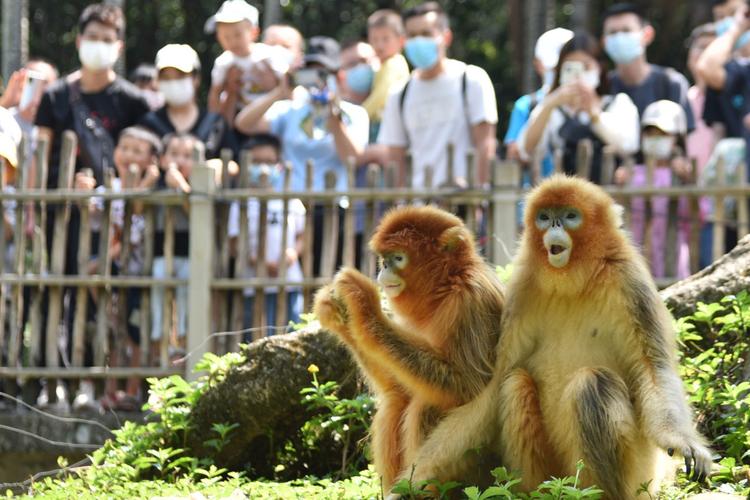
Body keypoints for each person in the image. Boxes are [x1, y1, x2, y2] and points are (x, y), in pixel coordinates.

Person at [32, 3, 149, 405]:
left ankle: (100, 384)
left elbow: (145, 152)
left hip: (116, 221)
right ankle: (55, 382)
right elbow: (40, 154)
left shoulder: (133, 100)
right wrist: (55, 192)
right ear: (79, 41)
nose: (98, 45)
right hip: (64, 216)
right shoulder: (56, 96)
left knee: (111, 298)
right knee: (59, 292)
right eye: (92, 37)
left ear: (118, 46)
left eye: (107, 38)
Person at [234, 36, 368, 275]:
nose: (317, 81)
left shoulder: (355, 114)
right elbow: (244, 124)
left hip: (332, 210)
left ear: (339, 76)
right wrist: (279, 92)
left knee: (330, 282)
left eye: (323, 74)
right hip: (293, 210)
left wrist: (333, 119)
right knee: (296, 283)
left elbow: (353, 158)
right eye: (310, 74)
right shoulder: (289, 110)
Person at [78, 126, 161, 410]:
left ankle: (133, 391)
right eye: (124, 148)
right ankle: (111, 391)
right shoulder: (109, 189)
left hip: (140, 275)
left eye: (137, 151)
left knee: (136, 334)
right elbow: (92, 214)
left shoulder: (154, 193)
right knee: (114, 333)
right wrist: (83, 195)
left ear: (152, 161)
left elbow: (135, 231)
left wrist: (141, 189)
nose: (128, 155)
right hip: (112, 272)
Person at [378, 2, 497, 188]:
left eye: (426, 34)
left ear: (446, 37)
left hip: (464, 201)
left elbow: (485, 144)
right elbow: (395, 156)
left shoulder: (471, 79)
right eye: (412, 35)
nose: (418, 41)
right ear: (403, 41)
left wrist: (479, 197)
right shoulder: (399, 93)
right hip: (419, 207)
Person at [518, 31, 640, 184]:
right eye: (570, 67)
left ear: (599, 67)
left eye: (586, 66)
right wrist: (549, 104)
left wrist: (593, 113)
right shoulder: (553, 109)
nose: (578, 75)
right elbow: (525, 149)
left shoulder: (619, 103)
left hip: (609, 199)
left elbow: (629, 146)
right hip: (565, 199)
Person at [228, 134, 305, 334]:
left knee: (292, 332)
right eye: (256, 162)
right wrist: (256, 260)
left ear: (279, 165)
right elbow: (234, 243)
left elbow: (302, 235)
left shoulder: (291, 200)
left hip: (289, 281)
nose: (263, 168)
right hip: (253, 283)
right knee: (256, 335)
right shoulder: (241, 203)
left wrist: (292, 254)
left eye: (269, 162)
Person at [601, 3, 695, 136]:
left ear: (647, 35)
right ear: (604, 42)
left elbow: (686, 140)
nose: (619, 38)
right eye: (613, 33)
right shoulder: (602, 86)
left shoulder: (671, 83)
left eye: (626, 30)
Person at [627, 100, 693, 280]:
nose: (655, 138)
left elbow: (696, 216)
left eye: (662, 134)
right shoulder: (632, 173)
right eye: (650, 133)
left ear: (677, 138)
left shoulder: (681, 175)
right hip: (639, 250)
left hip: (671, 250)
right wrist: (621, 184)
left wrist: (688, 181)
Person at [150, 133, 201, 358]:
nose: (180, 160)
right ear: (162, 159)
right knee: (160, 296)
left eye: (188, 156)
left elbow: (196, 212)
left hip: (191, 256)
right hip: (161, 254)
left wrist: (181, 186)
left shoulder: (201, 187)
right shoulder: (155, 186)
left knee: (185, 300)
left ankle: (182, 341)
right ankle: (159, 340)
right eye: (174, 154)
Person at [140, 44, 236, 161]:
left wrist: (219, 166)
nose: (173, 83)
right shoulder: (148, 124)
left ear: (196, 79)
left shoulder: (215, 123)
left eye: (180, 76)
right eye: (166, 77)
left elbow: (235, 162)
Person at [504, 27, 573, 182]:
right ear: (537, 64)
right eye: (552, 65)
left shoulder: (588, 102)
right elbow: (514, 156)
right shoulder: (526, 105)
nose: (556, 70)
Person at [206, 0, 285, 124]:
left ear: (254, 32)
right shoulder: (223, 62)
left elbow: (285, 83)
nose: (232, 41)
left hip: (273, 116)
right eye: (226, 37)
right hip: (238, 116)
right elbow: (215, 93)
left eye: (237, 35)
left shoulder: (268, 55)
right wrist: (212, 121)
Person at [363, 9, 410, 137]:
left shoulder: (394, 63)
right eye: (374, 39)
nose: (379, 45)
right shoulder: (384, 65)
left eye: (385, 39)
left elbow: (380, 96)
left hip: (385, 124)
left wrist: (360, 113)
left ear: (401, 41)